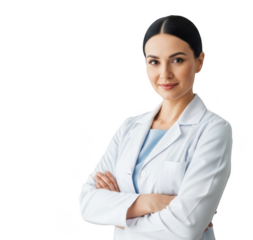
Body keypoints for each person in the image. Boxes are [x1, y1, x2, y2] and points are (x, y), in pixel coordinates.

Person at [78, 14, 233, 240]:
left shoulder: (214, 129)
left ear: (199, 62)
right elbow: (87, 204)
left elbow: (187, 226)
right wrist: (153, 201)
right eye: (154, 61)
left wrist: (119, 216)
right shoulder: (129, 126)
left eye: (177, 60)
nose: (165, 74)